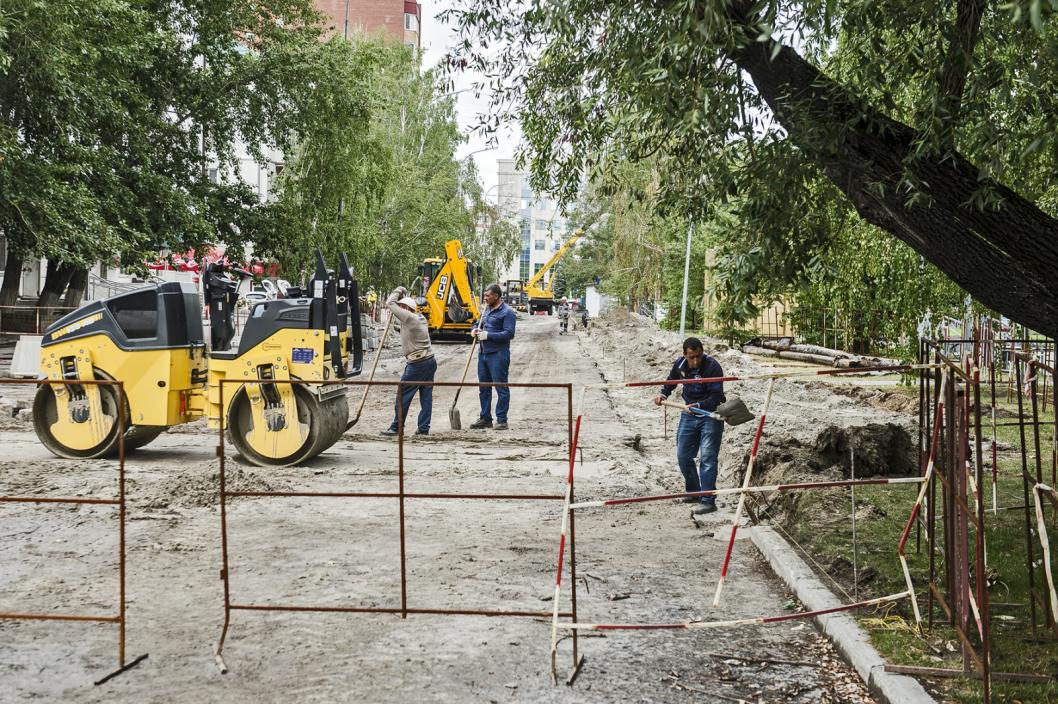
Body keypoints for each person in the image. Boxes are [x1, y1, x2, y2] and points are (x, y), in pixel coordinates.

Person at [652, 337, 726, 515]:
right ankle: (693, 491)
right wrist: (663, 394)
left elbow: (716, 396)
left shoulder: (712, 366)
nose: (695, 361)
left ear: (702, 352)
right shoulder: (680, 364)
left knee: (707, 458)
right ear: (685, 355)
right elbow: (671, 381)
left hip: (710, 415)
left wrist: (699, 406)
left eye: (698, 356)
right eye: (691, 357)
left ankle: (708, 500)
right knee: (683, 455)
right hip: (689, 415)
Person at [381, 286, 436, 436]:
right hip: (429, 360)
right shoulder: (419, 318)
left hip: (418, 364)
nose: (398, 310)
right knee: (426, 396)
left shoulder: (410, 318)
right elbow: (403, 327)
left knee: (402, 394)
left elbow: (390, 303)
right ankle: (423, 429)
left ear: (406, 308)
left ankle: (396, 427)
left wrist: (399, 290)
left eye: (401, 308)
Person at [470, 283, 517, 430]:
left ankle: (502, 420)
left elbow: (509, 333)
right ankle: (485, 418)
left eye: (487, 295)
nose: (485, 297)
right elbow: (478, 323)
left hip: (498, 354)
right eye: (485, 295)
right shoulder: (486, 309)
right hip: (483, 353)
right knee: (484, 387)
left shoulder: (507, 312)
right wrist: (474, 330)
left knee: (500, 387)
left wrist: (488, 335)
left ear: (496, 296)